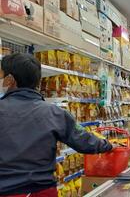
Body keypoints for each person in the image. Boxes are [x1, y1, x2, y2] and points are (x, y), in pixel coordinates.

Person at [0, 53, 114, 196]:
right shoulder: (54, 113)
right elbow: (83, 141)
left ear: (10, 80)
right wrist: (108, 145)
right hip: (43, 190)